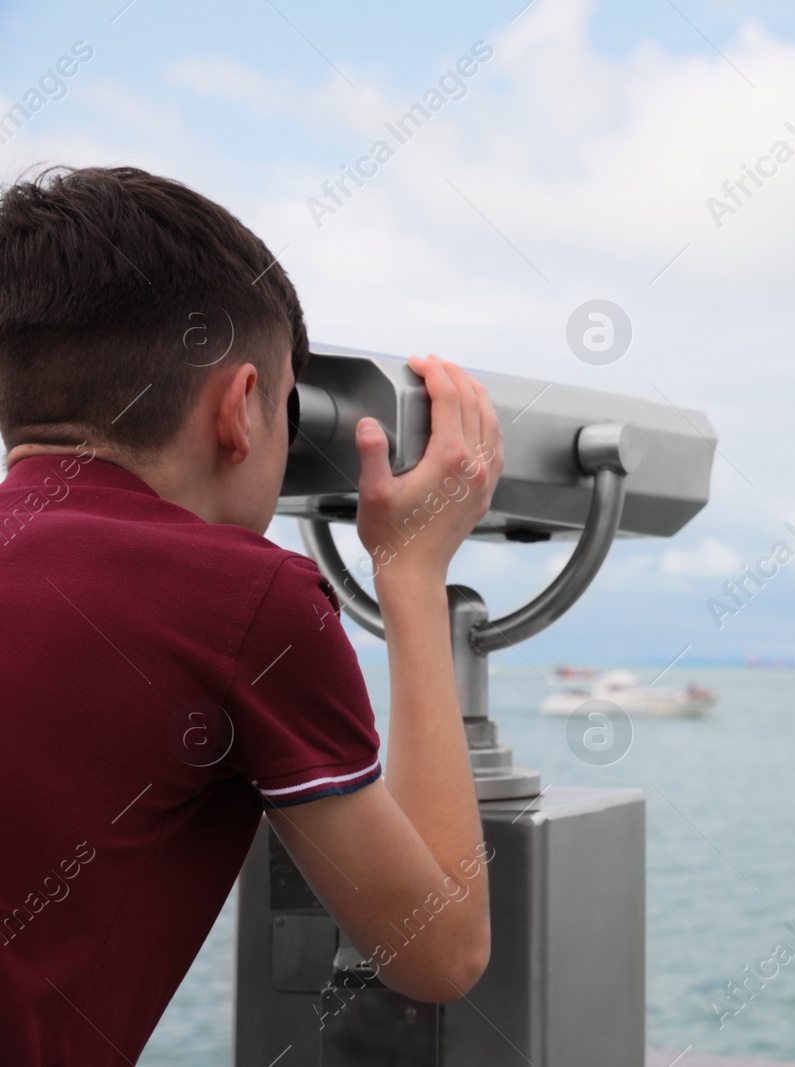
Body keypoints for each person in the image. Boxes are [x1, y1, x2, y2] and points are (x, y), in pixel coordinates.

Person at [0, 166, 501, 1066]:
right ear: (240, 409)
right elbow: (440, 949)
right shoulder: (242, 600)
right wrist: (413, 575)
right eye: (285, 406)